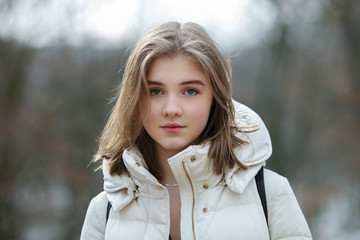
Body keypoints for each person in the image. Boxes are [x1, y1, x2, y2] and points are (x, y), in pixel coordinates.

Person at [80, 22, 312, 240]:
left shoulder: (269, 194)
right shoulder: (105, 211)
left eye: (190, 91)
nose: (171, 109)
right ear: (134, 99)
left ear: (215, 98)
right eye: (155, 91)